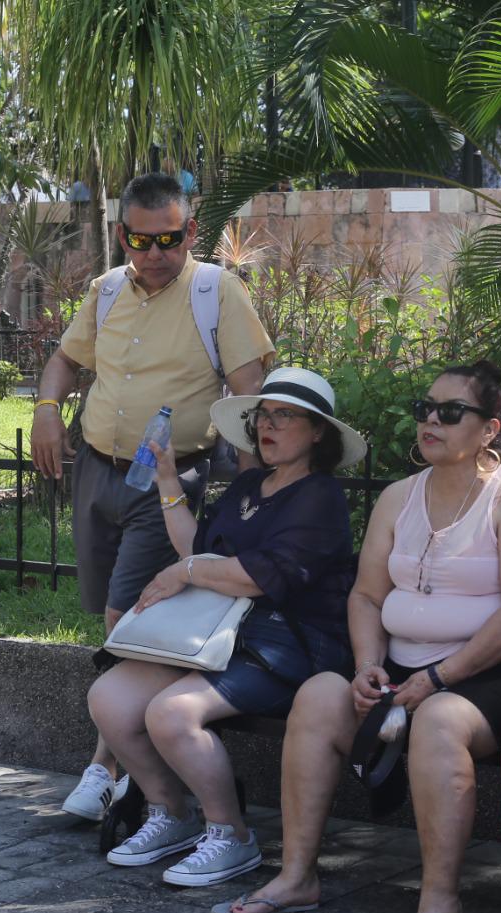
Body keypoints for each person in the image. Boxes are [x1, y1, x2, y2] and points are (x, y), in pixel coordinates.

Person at [217, 360, 501, 913]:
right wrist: (367, 665)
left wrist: (437, 680)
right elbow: (366, 595)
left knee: (439, 722)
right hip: (406, 670)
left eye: (450, 412)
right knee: (319, 695)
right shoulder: (399, 497)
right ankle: (298, 876)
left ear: (489, 429)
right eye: (425, 409)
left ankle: (441, 907)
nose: (431, 420)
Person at [31, 172, 272, 823]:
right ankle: (127, 769)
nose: (155, 252)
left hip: (173, 481)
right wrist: (47, 409)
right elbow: (64, 361)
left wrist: (255, 496)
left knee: (127, 620)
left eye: (169, 238)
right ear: (123, 235)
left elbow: (251, 397)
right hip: (99, 473)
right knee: (113, 621)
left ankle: (107, 770)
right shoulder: (106, 290)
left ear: (191, 232)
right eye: (142, 239)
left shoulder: (215, 291)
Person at [90, 367, 364, 886]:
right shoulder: (248, 483)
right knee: (110, 699)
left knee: (172, 715)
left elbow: (259, 578)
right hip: (218, 634)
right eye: (264, 414)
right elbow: (198, 551)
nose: (269, 425)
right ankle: (170, 814)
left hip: (286, 643)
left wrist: (186, 573)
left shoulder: (319, 497)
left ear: (318, 431)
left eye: (286, 416)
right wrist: (168, 478)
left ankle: (231, 835)